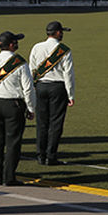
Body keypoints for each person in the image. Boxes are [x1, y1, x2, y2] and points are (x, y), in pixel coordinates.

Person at [0, 31, 35, 186]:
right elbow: (28, 88)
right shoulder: (20, 63)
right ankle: (9, 176)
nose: (17, 43)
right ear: (11, 44)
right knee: (13, 142)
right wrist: (31, 108)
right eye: (15, 41)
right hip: (13, 105)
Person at [29, 21, 76, 166]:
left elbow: (31, 69)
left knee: (42, 123)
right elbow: (68, 74)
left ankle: (40, 155)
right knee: (56, 123)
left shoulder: (37, 47)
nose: (62, 34)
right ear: (56, 33)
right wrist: (71, 94)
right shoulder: (64, 50)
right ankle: (51, 156)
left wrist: (32, 88)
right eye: (61, 32)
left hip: (41, 86)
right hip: (58, 87)